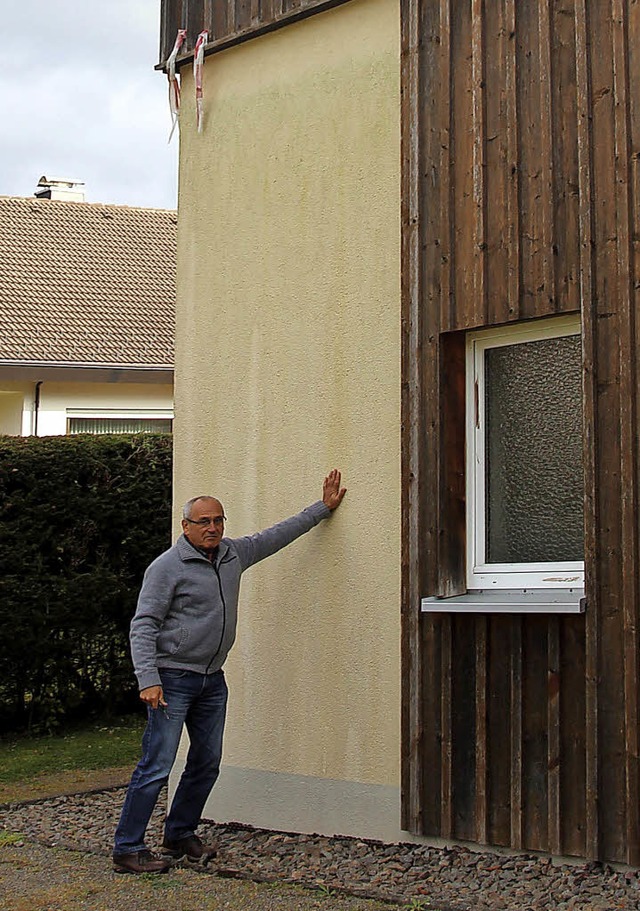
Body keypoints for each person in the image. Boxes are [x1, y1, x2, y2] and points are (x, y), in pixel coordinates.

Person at [112, 469, 347, 874]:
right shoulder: (167, 567)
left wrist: (321, 509)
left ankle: (179, 833)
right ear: (185, 526)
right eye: (204, 522)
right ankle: (127, 847)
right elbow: (144, 623)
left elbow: (276, 536)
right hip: (172, 680)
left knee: (207, 761)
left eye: (218, 520)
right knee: (157, 764)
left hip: (211, 680)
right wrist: (147, 679)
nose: (213, 528)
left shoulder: (233, 554)